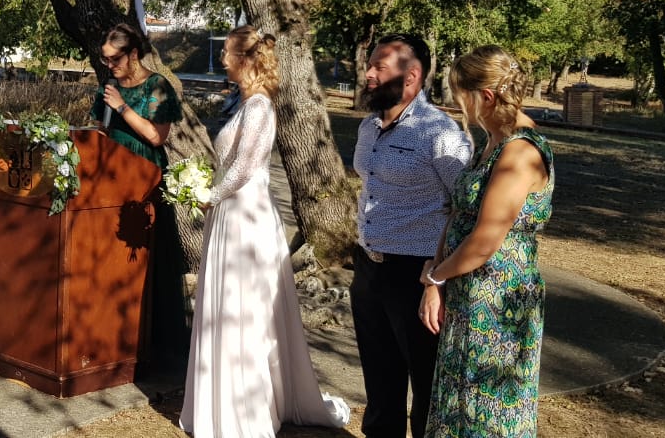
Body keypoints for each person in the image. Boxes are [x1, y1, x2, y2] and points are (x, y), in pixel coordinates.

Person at [180, 26, 349, 436]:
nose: (222, 60)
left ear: (246, 59)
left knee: (243, 309)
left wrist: (209, 195)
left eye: (227, 53)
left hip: (246, 219)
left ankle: (245, 411)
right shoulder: (243, 104)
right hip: (232, 213)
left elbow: (244, 167)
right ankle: (220, 403)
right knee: (227, 306)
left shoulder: (259, 108)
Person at [420, 45, 553, 437]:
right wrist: (435, 273)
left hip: (497, 305)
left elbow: (484, 240)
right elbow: (460, 212)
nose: (459, 107)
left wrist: (437, 278)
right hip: (468, 293)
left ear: (487, 97)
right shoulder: (492, 142)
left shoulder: (520, 153)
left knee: (487, 413)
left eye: (462, 97)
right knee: (457, 405)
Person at [351, 33, 472, 438]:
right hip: (369, 266)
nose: (368, 73)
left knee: (426, 382)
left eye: (379, 66)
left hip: (416, 273)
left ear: (412, 76)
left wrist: (439, 276)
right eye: (369, 64)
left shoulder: (439, 133)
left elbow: (466, 206)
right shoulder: (368, 127)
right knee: (379, 376)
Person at [90, 23, 186, 370]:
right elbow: (100, 130)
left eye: (114, 59)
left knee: (150, 259)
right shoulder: (109, 87)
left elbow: (157, 136)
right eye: (105, 59)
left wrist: (122, 108)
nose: (109, 66)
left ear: (132, 54)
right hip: (110, 181)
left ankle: (154, 345)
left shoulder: (157, 86)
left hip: (146, 179)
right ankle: (113, 333)